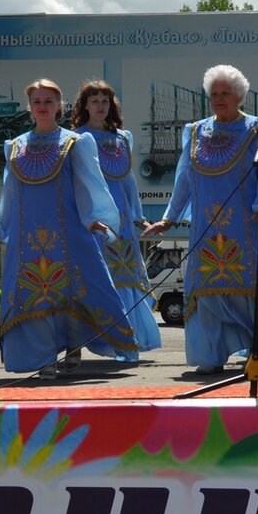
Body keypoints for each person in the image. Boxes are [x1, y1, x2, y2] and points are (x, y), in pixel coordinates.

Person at [142, 65, 258, 375]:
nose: (219, 99)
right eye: (214, 94)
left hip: (248, 226)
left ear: (239, 96)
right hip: (205, 230)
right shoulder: (195, 131)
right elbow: (184, 179)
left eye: (225, 94)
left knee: (252, 292)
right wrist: (169, 219)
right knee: (207, 293)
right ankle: (211, 354)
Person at [0, 79, 138, 378]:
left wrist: (93, 218)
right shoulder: (16, 146)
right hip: (28, 238)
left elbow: (89, 184)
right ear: (29, 108)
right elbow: (10, 193)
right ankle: (44, 358)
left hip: (69, 232)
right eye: (37, 101)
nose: (43, 106)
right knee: (36, 296)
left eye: (49, 101)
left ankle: (73, 346)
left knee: (72, 292)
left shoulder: (75, 143)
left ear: (60, 106)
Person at [71, 80, 162, 356]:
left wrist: (138, 217)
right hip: (93, 221)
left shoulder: (123, 138)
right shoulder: (75, 139)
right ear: (84, 105)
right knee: (101, 278)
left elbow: (128, 182)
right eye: (95, 100)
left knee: (127, 278)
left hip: (122, 223)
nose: (100, 106)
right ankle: (101, 340)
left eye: (105, 101)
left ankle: (129, 338)